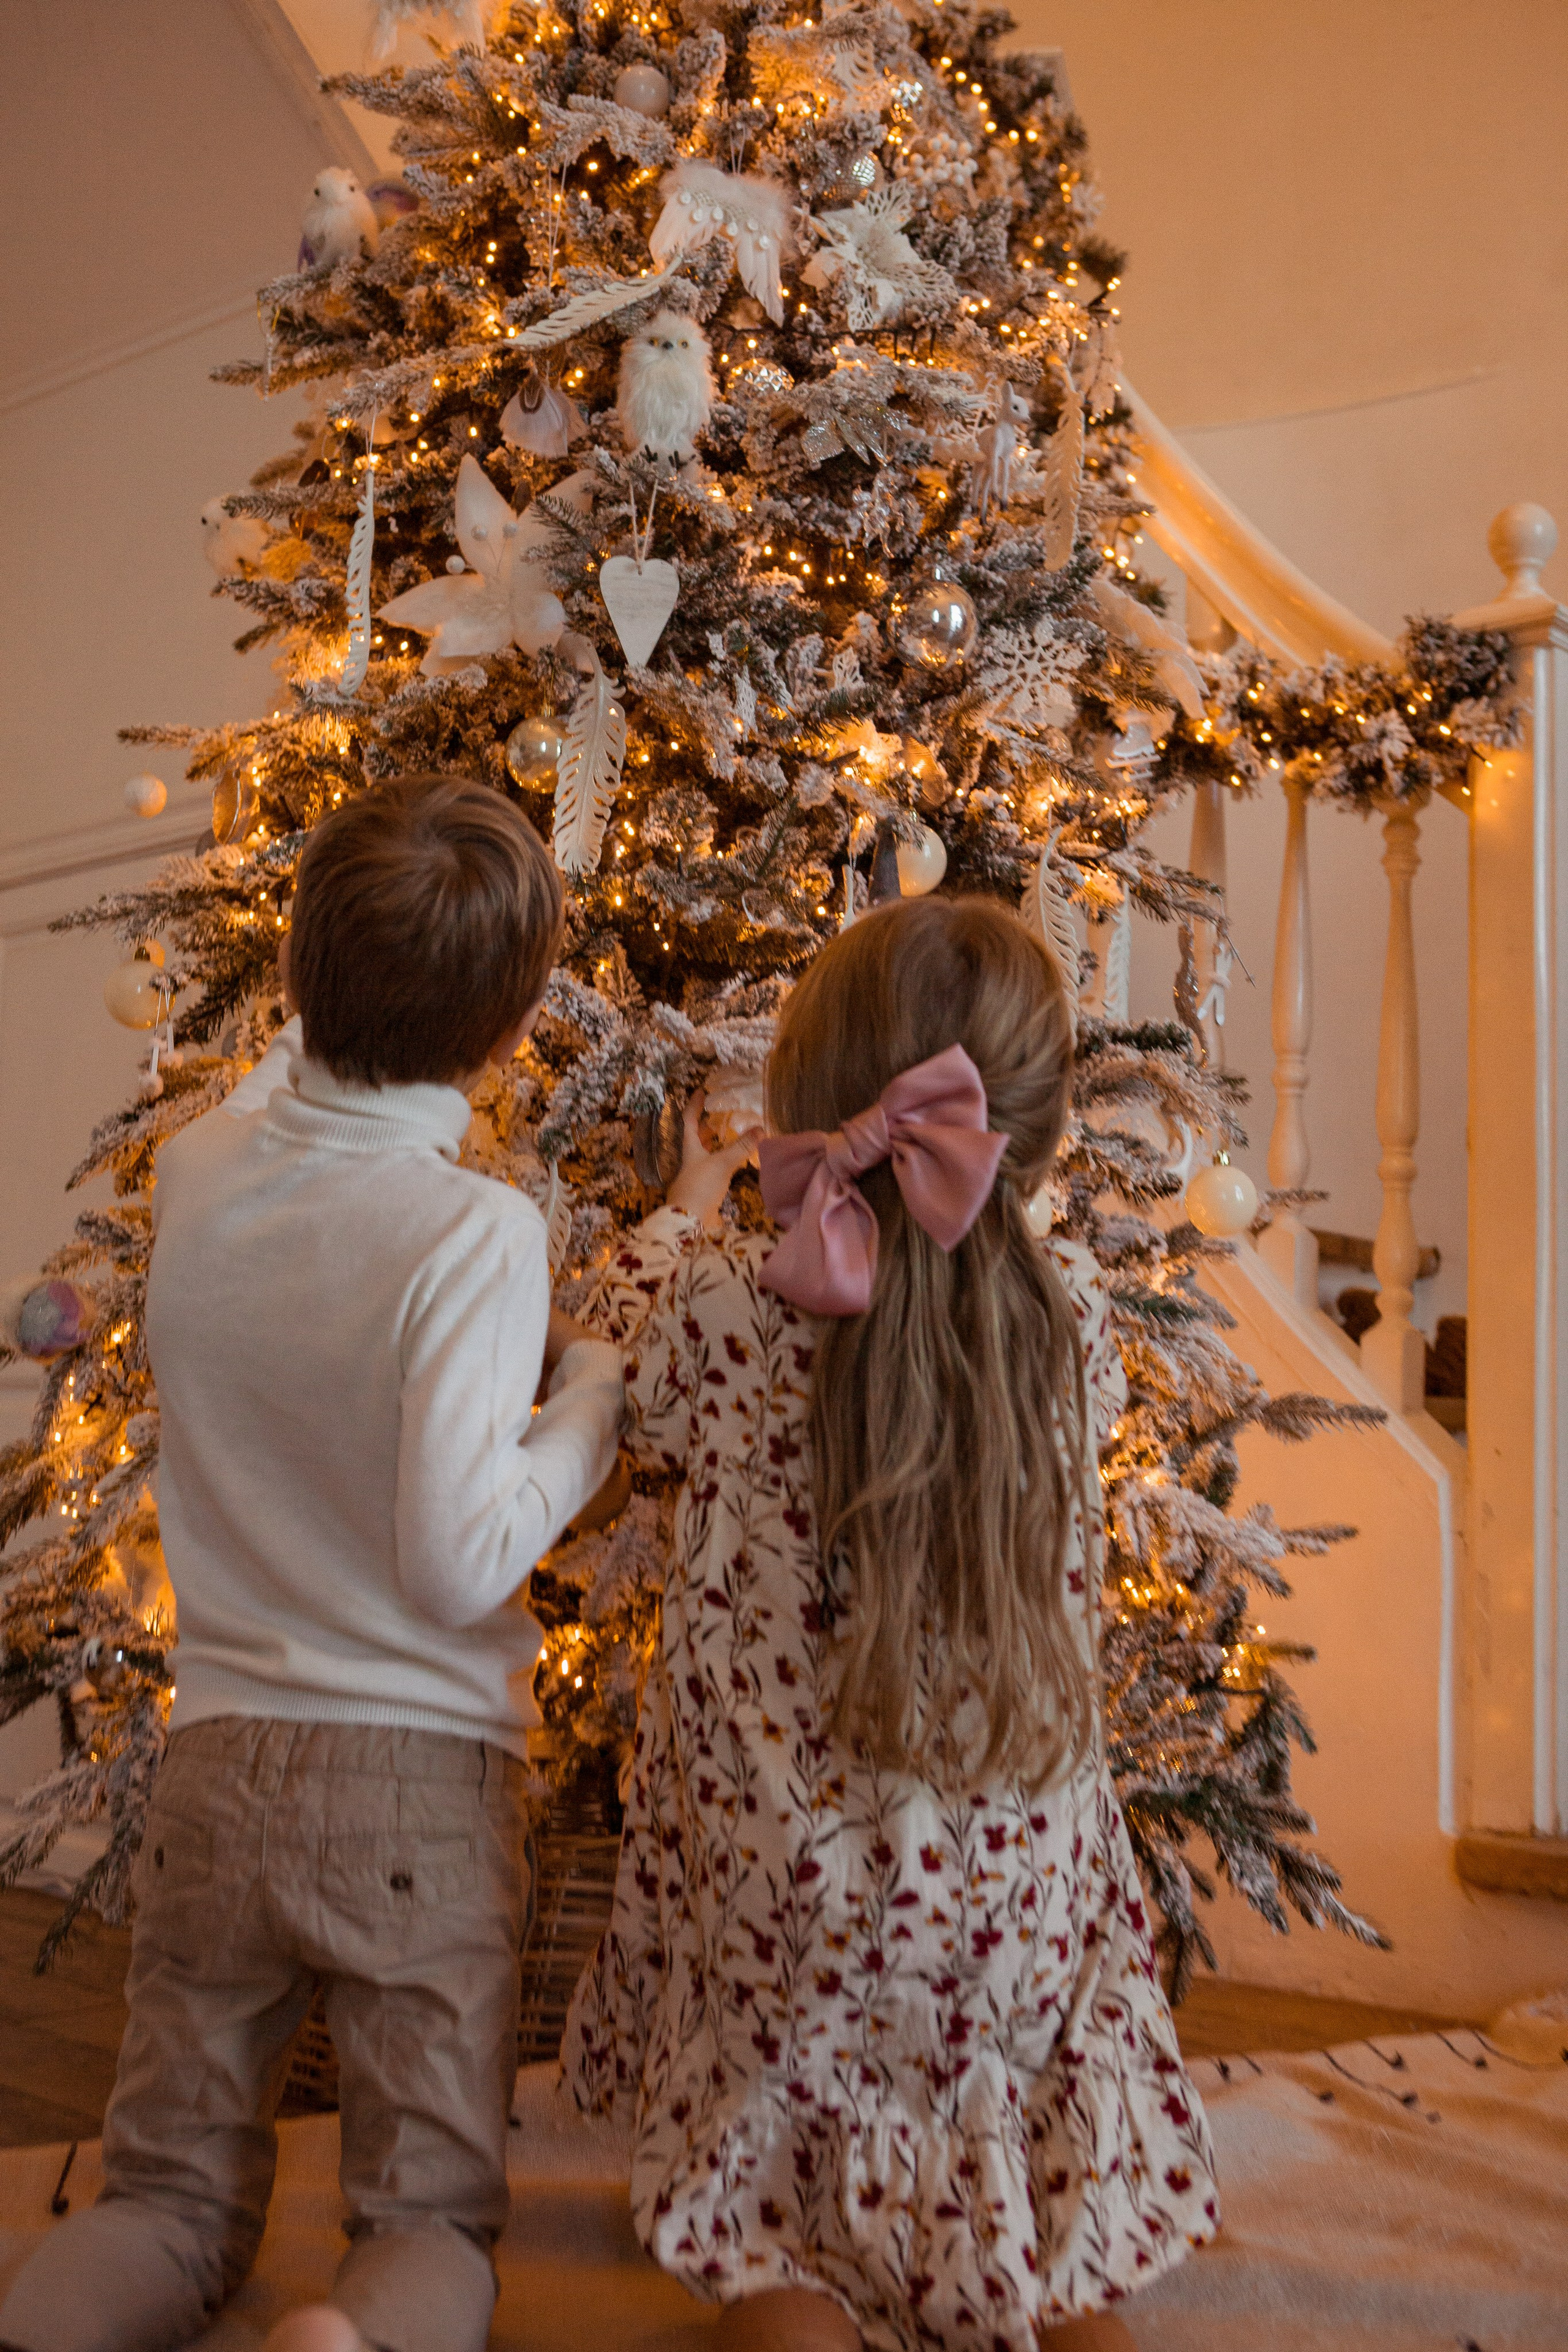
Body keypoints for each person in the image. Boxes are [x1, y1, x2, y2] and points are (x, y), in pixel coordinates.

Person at [0, 775, 623, 2352]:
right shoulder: (474, 1234)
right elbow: (460, 1552)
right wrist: (589, 1409)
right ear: (503, 1034)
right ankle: (347, 2339)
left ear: (293, 976)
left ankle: (49, 2320)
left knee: (161, 2197)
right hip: (413, 1780)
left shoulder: (202, 1175)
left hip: (215, 1770)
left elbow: (294, 1082)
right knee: (424, 2220)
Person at [565, 895, 1219, 2352]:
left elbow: (610, 1335)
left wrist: (687, 1199)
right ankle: (1040, 2309)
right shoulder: (1074, 1332)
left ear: (808, 1107)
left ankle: (797, 2297)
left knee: (782, 2271)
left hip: (783, 1886)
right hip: (1020, 1890)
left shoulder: (733, 1310)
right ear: (1027, 1136)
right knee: (1062, 2299)